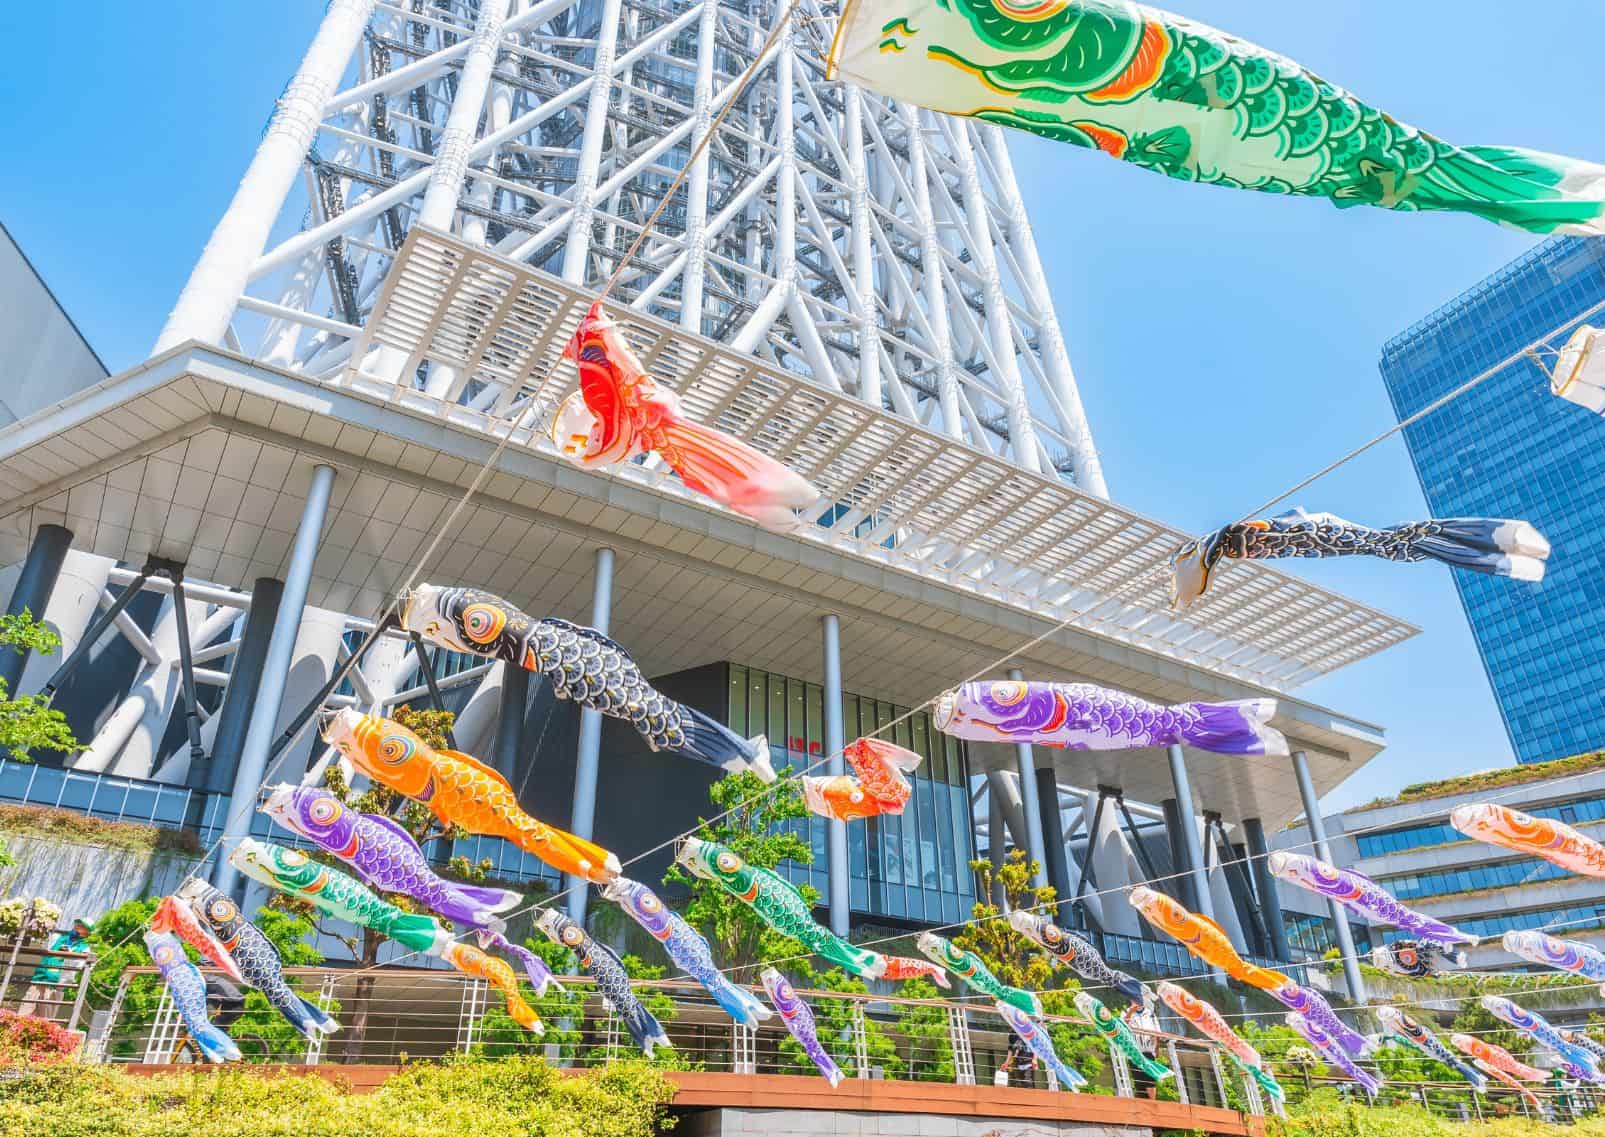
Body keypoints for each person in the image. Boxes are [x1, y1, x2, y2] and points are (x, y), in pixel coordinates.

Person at [19, 917, 92, 1018]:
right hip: (39, 980)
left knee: (45, 1020)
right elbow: (44, 942)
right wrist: (44, 925)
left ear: (86, 933)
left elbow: (78, 966)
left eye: (80, 926)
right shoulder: (59, 938)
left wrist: (70, 954)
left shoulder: (84, 948)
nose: (76, 926)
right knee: (23, 1014)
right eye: (76, 923)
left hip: (55, 986)